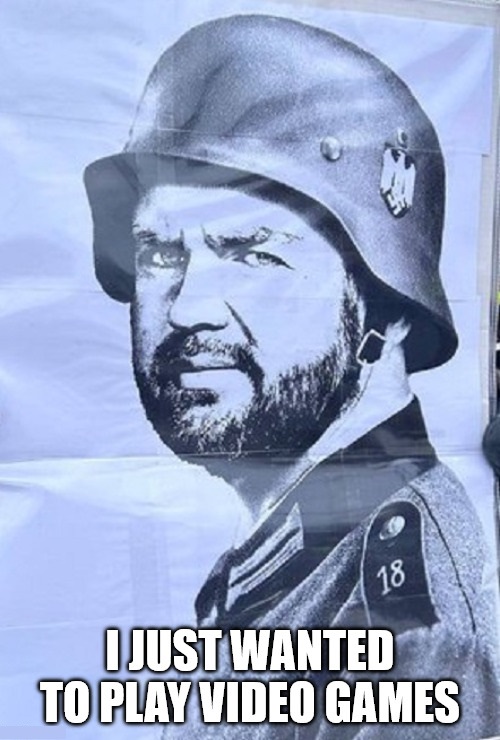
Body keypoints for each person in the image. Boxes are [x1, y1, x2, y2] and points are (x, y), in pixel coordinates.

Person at [84, 15, 499, 738]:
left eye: (252, 254)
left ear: (390, 311)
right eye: (160, 254)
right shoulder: (288, 563)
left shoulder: (409, 629)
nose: (186, 308)